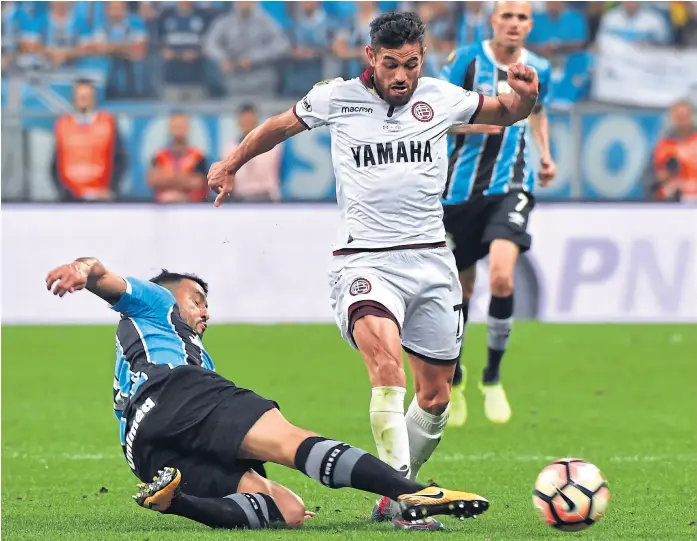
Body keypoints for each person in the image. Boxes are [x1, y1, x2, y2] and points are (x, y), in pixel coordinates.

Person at [208, 10, 539, 530]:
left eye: (410, 64)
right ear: (371, 58)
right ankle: (408, 499)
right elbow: (276, 127)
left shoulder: (441, 96)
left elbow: (506, 115)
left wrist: (525, 96)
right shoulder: (335, 97)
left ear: (422, 58)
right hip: (364, 260)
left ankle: (390, 496)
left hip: (432, 260)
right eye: (391, 65)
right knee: (387, 371)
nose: (401, 76)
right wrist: (231, 164)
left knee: (435, 395)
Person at [45, 258, 490, 531]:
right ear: (171, 293)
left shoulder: (171, 347)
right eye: (197, 299)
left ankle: (174, 502)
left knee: (288, 510)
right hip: (177, 392)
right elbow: (101, 272)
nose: (205, 311)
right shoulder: (154, 301)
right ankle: (409, 494)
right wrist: (82, 272)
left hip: (141, 449)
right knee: (293, 443)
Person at [439, 1, 555, 429]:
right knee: (462, 292)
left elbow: (538, 111)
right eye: (507, 16)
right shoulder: (465, 61)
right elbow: (435, 118)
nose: (514, 24)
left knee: (503, 276)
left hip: (511, 186)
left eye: (522, 17)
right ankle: (457, 376)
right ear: (493, 22)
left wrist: (546, 155)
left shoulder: (538, 65)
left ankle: (492, 376)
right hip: (459, 194)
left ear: (529, 25)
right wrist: (479, 124)